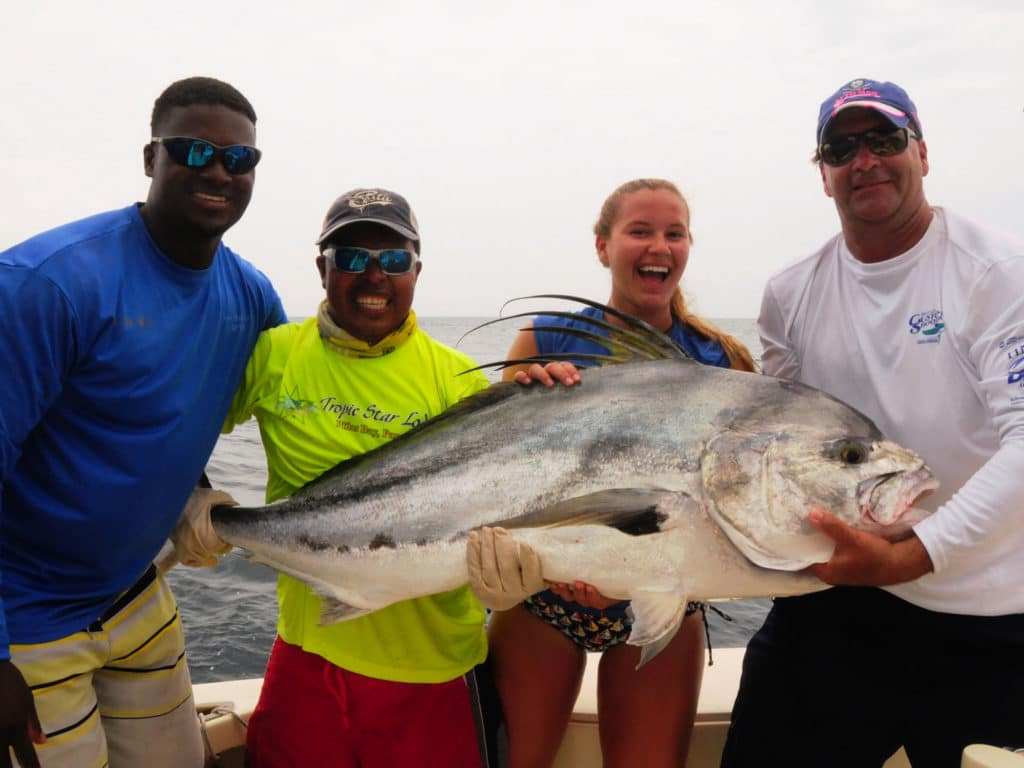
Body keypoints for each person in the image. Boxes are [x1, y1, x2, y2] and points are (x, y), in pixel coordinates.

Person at [721, 78, 1024, 767]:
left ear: (921, 151)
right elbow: (775, 449)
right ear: (823, 174)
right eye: (842, 147)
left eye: (885, 140)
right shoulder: (790, 292)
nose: (865, 161)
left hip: (991, 617)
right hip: (836, 606)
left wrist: (909, 558)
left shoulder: (997, 271)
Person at [211, 187, 571, 767]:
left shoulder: (461, 382)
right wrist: (197, 502)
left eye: (395, 260)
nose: (374, 276)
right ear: (321, 268)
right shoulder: (273, 354)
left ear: (418, 270)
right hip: (307, 658)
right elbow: (174, 432)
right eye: (351, 257)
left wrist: (553, 411)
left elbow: (522, 503)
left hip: (434, 674)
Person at [0, 77, 285, 767]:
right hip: (28, 622)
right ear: (151, 157)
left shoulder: (250, 295)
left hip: (138, 596)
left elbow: (182, 409)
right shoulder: (47, 283)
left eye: (238, 159)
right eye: (193, 151)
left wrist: (529, 386)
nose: (218, 171)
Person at [475, 178, 757, 768]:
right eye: (640, 231)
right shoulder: (550, 337)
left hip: (664, 602)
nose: (659, 245)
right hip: (542, 601)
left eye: (674, 233)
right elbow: (497, 473)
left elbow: (740, 504)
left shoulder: (719, 361)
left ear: (687, 247)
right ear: (603, 246)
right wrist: (528, 397)